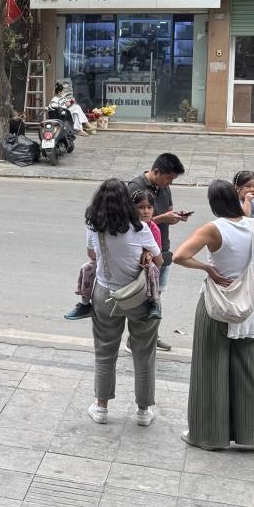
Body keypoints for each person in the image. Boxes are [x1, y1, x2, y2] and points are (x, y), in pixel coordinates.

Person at [172, 179, 254, 452]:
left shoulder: (213, 229)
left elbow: (180, 256)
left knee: (211, 371)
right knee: (251, 373)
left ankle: (209, 435)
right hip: (251, 307)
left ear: (213, 203)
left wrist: (207, 269)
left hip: (217, 305)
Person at [82, 179, 163, 427]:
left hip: (105, 294)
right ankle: (143, 411)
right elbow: (159, 261)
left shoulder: (94, 226)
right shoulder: (140, 228)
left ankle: (101, 407)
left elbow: (91, 255)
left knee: (105, 352)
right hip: (139, 297)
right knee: (144, 353)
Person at [67, 190, 161, 321]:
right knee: (86, 268)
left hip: (138, 269)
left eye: (149, 207)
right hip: (129, 281)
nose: (146, 211)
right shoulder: (127, 225)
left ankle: (153, 302)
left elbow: (157, 254)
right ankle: (84, 303)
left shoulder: (150, 228)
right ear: (130, 207)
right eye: (141, 207)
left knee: (153, 270)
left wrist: (147, 252)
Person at [127, 153, 188, 350]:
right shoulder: (135, 188)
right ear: (156, 172)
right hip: (142, 252)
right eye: (168, 178)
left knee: (156, 296)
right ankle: (134, 339)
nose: (169, 183)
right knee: (142, 297)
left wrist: (175, 217)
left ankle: (152, 335)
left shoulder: (164, 187)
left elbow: (168, 210)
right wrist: (163, 218)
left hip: (162, 248)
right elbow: (130, 223)